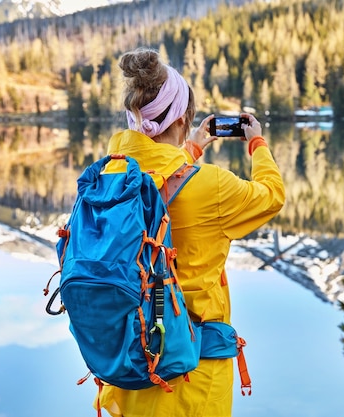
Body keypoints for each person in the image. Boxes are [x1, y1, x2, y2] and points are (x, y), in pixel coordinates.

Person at [97, 47, 285, 417]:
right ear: (182, 119)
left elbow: (157, 177)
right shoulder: (211, 186)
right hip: (189, 377)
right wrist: (257, 144)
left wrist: (193, 147)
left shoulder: (108, 177)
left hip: (128, 370)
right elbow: (272, 195)